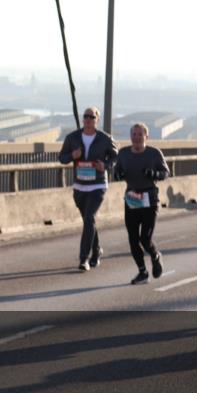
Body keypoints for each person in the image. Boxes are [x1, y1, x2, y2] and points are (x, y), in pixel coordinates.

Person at [58, 107, 118, 271]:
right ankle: (96, 251)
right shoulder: (72, 138)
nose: (88, 119)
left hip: (97, 185)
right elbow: (62, 157)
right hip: (79, 186)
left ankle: (84, 258)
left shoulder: (105, 139)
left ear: (97, 120)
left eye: (92, 117)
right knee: (88, 221)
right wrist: (72, 156)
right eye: (86, 116)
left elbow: (115, 158)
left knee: (90, 217)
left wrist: (105, 165)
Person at [113, 123, 170, 285]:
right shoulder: (123, 153)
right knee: (132, 239)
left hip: (149, 199)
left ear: (146, 137)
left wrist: (154, 174)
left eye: (140, 134)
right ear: (130, 136)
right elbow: (116, 173)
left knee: (145, 238)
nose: (136, 138)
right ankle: (142, 272)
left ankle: (155, 255)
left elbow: (166, 173)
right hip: (132, 198)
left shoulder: (154, 153)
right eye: (134, 134)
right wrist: (118, 175)